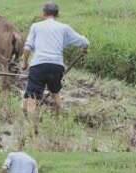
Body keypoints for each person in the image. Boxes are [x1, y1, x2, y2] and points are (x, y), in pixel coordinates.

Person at [22, 2, 89, 134]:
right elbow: (84, 41)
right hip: (56, 66)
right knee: (55, 94)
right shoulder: (64, 28)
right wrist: (85, 48)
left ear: (43, 14)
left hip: (38, 65)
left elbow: (27, 47)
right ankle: (58, 123)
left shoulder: (36, 26)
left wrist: (24, 63)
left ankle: (32, 129)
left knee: (31, 99)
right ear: (58, 14)